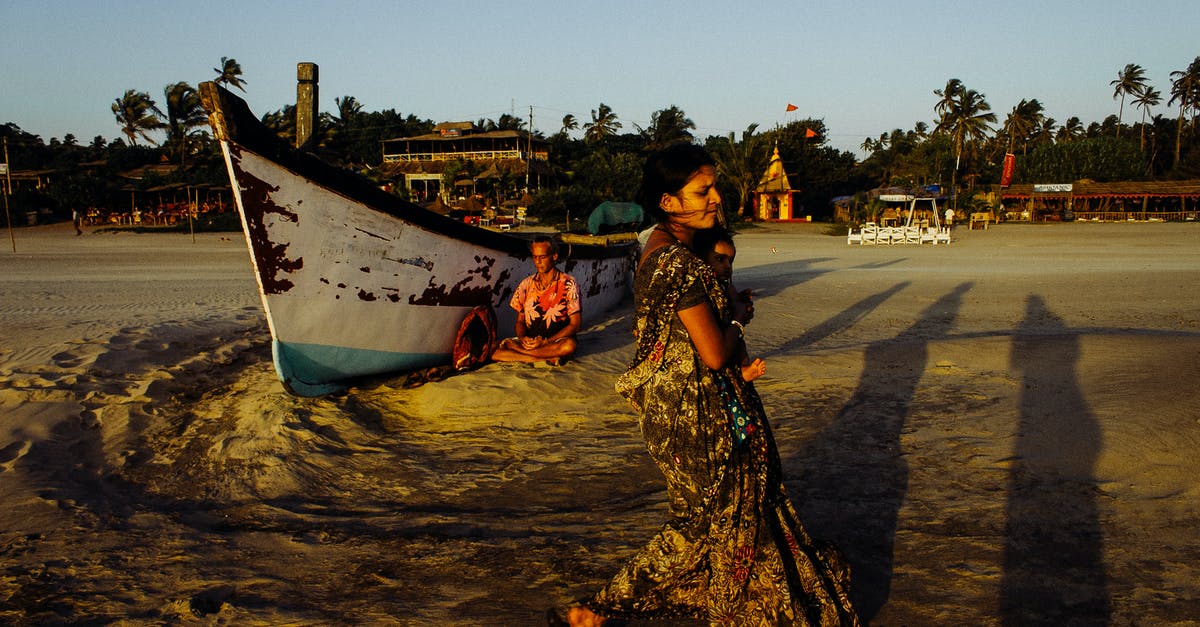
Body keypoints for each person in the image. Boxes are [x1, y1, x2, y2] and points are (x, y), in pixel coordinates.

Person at [562, 143, 858, 626]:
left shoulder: (661, 249)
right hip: (694, 414)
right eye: (703, 190)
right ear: (669, 202)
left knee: (727, 519)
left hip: (684, 408)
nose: (716, 197)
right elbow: (715, 353)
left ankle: (628, 606)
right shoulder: (675, 263)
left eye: (714, 186)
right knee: (705, 522)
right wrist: (737, 318)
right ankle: (600, 608)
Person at [692, 226, 766, 383]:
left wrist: (740, 300)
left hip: (730, 331)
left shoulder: (726, 286)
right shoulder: (699, 288)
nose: (727, 266)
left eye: (730, 261)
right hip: (715, 335)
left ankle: (744, 367)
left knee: (740, 344)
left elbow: (734, 302)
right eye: (720, 259)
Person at [490, 235, 581, 365]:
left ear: (554, 256)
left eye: (542, 257)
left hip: (555, 341)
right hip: (530, 342)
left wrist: (546, 341)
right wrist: (523, 339)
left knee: (569, 346)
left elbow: (575, 325)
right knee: (493, 352)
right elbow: (520, 322)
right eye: (535, 257)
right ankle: (541, 358)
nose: (538, 262)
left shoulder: (568, 283)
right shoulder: (526, 284)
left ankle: (520, 352)